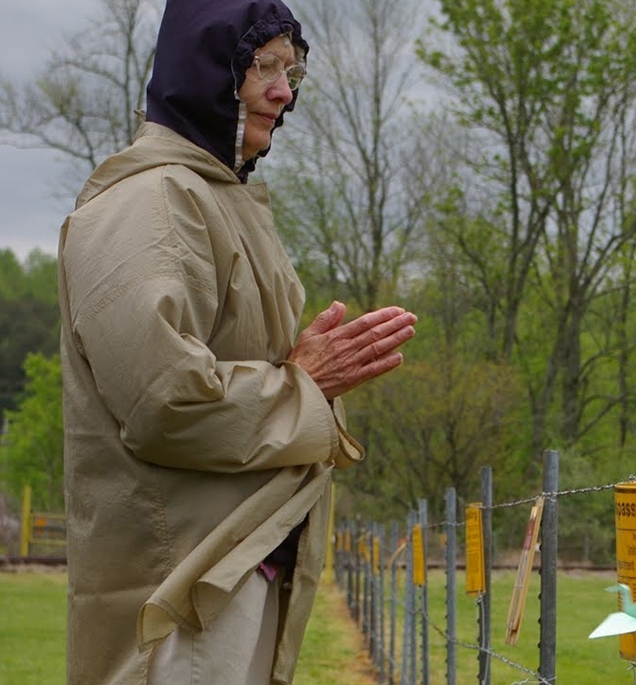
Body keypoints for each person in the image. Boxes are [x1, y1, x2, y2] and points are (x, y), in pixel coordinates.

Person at [56, 1, 416, 683]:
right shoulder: (151, 204)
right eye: (263, 67)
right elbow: (166, 401)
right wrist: (305, 381)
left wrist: (305, 374)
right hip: (175, 597)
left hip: (223, 574)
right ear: (204, 70)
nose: (284, 91)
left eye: (291, 69)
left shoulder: (214, 197)